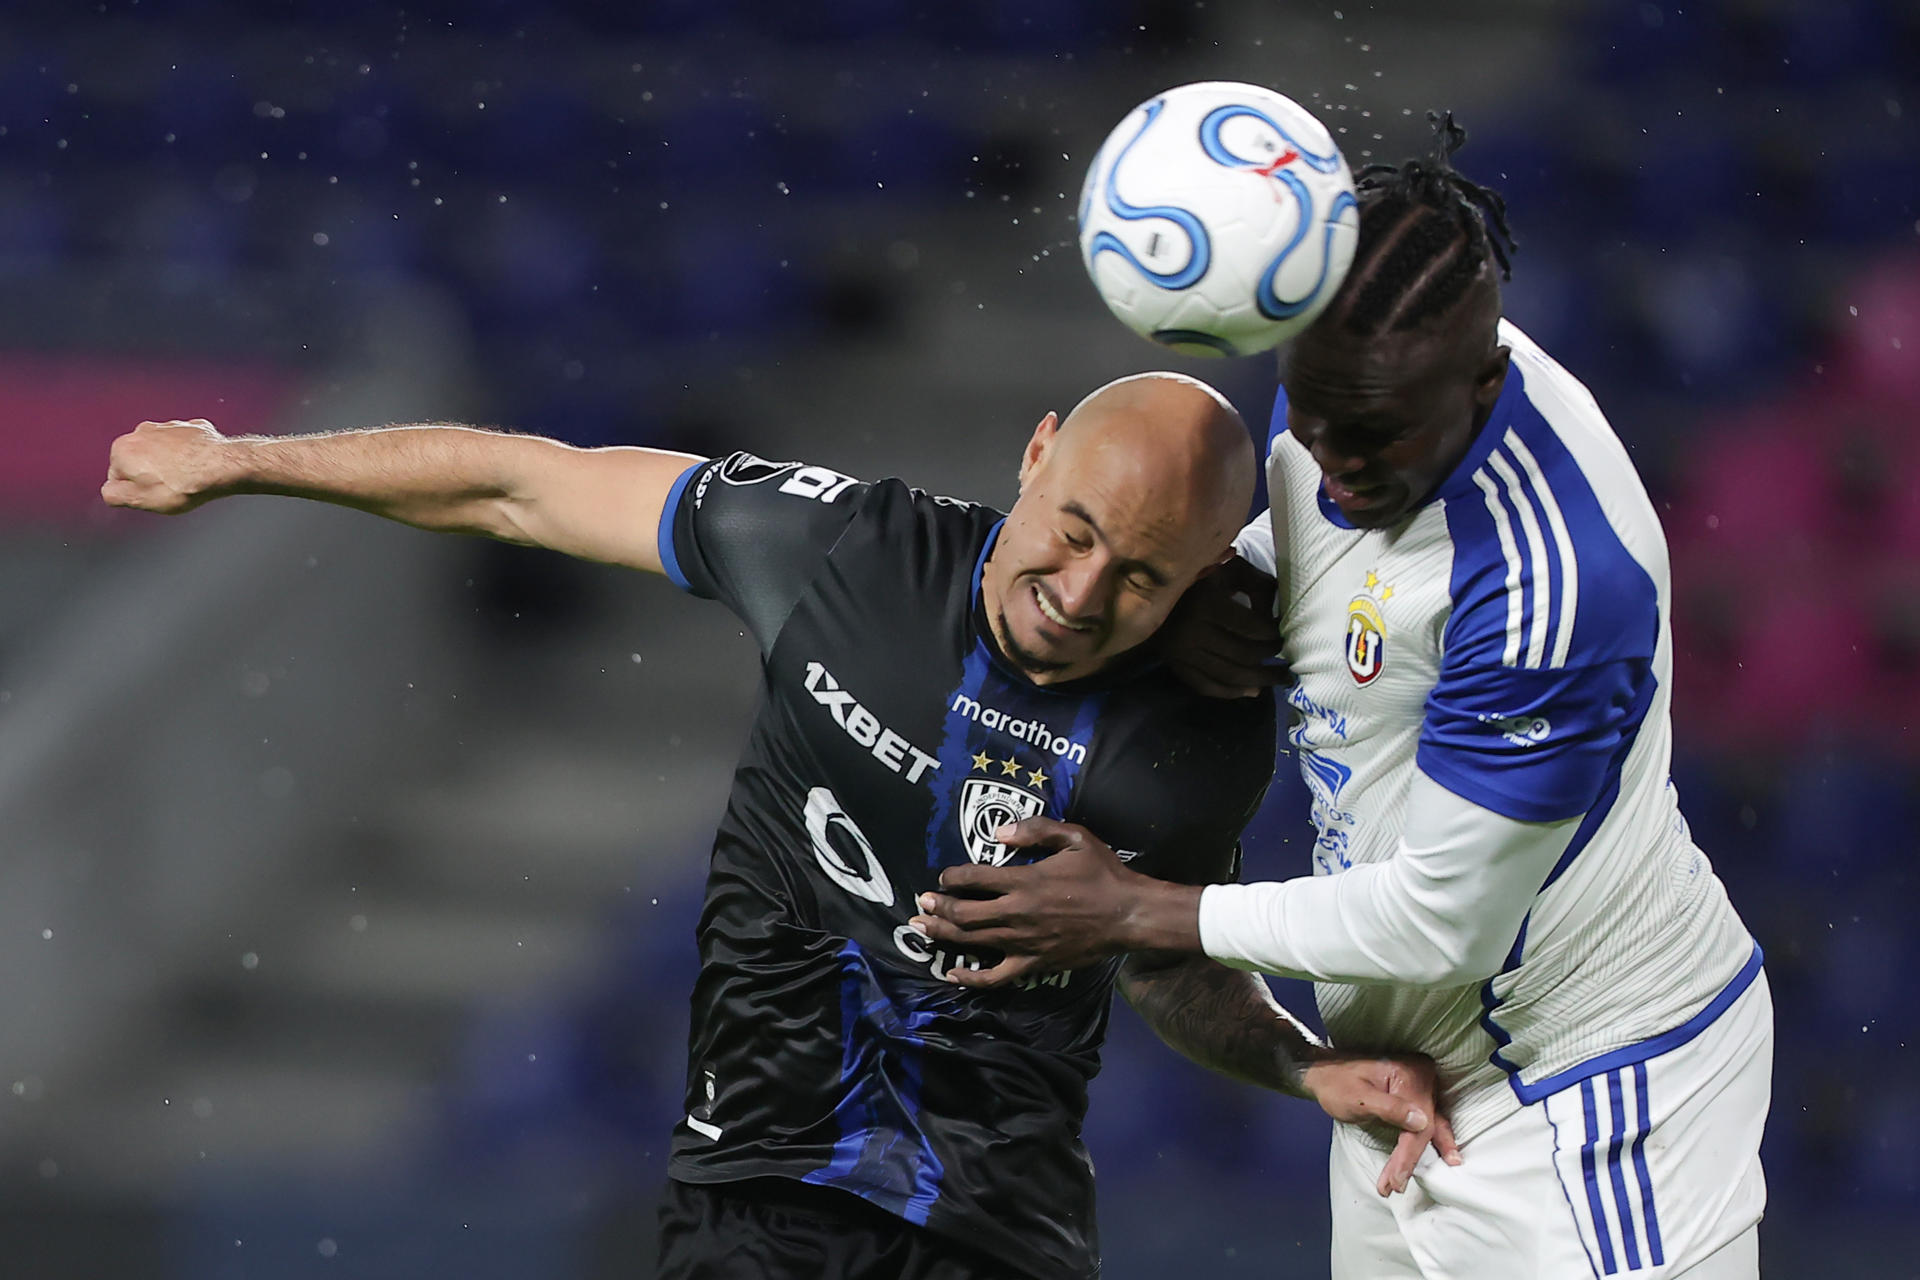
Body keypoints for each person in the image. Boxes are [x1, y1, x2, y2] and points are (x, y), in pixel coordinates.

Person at [102, 372, 1453, 1280]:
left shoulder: (1200, 738)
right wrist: (249, 461)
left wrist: (1304, 1066)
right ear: (1036, 454)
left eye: (1144, 573)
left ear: (1207, 573)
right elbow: (525, 483)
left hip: (1004, 1235)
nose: (1082, 590)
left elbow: (1170, 965)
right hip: (758, 1198)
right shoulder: (844, 555)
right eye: (1077, 529)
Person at [913, 117, 1772, 1279]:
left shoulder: (1550, 583)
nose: (1332, 461)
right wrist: (1248, 572)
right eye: (1306, 417)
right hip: (1403, 1074)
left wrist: (1139, 911)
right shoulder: (1355, 356)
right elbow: (1337, 520)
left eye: (1371, 439)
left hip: (1590, 1103)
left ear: (1483, 380)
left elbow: (1443, 918)